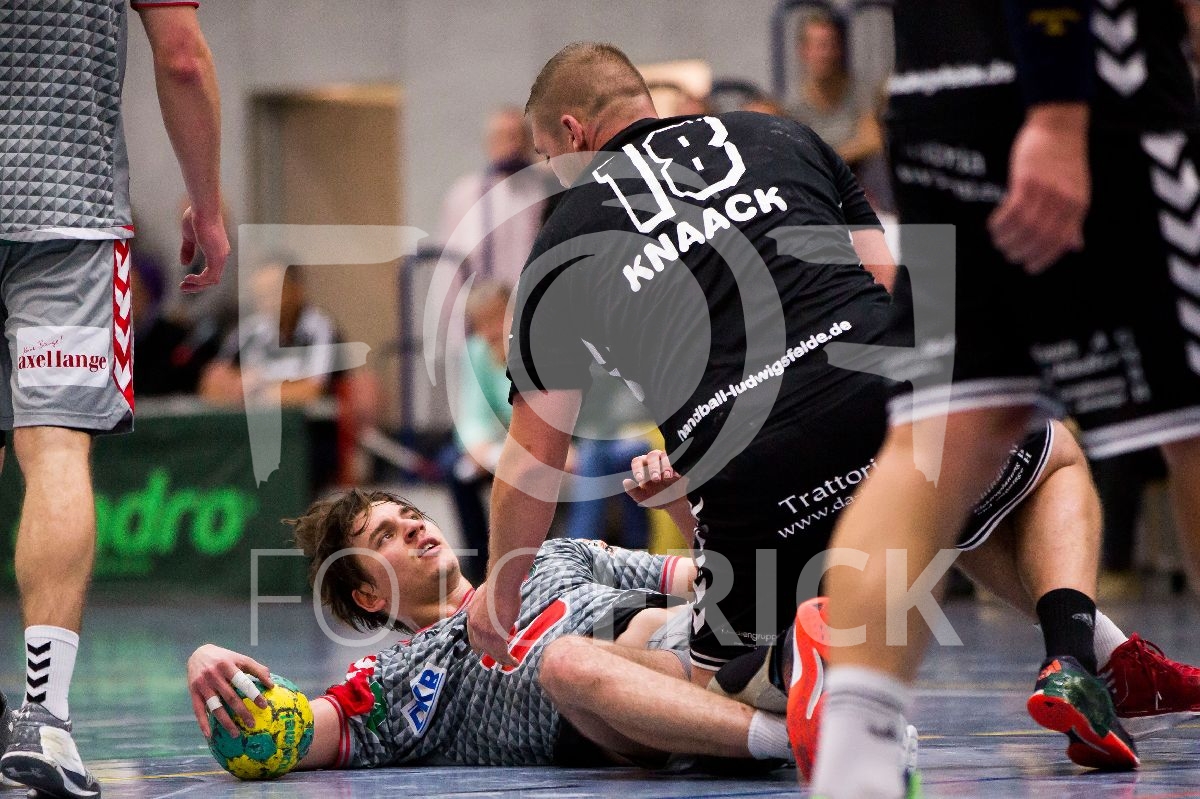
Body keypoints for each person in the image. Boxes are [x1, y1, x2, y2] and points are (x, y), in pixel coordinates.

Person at [813, 1, 1200, 796]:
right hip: (1086, 85)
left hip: (933, 94)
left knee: (936, 442)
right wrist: (1058, 108)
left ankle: (854, 773)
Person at [0, 3, 228, 796]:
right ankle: (43, 715)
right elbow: (182, 54)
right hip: (67, 213)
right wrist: (207, 202)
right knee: (55, 447)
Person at [186, 490, 799, 770]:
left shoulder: (551, 555)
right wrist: (209, 664)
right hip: (648, 730)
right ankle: (793, 730)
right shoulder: (398, 680)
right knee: (567, 663)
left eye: (412, 516)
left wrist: (681, 504)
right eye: (386, 536)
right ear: (368, 594)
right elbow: (275, 739)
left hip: (718, 647)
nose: (417, 528)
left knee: (788, 603)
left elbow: (719, 575)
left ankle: (790, 693)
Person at [438, 280, 514, 580]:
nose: (491, 330)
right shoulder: (476, 352)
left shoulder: (533, 345)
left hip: (531, 442)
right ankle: (482, 566)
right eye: (482, 323)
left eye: (497, 318)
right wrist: (478, 448)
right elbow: (472, 412)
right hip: (497, 445)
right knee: (453, 466)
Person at [439, 107, 555, 289]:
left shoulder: (545, 191)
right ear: (489, 143)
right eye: (504, 137)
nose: (513, 146)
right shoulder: (465, 194)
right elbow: (450, 265)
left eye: (518, 136)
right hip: (483, 301)